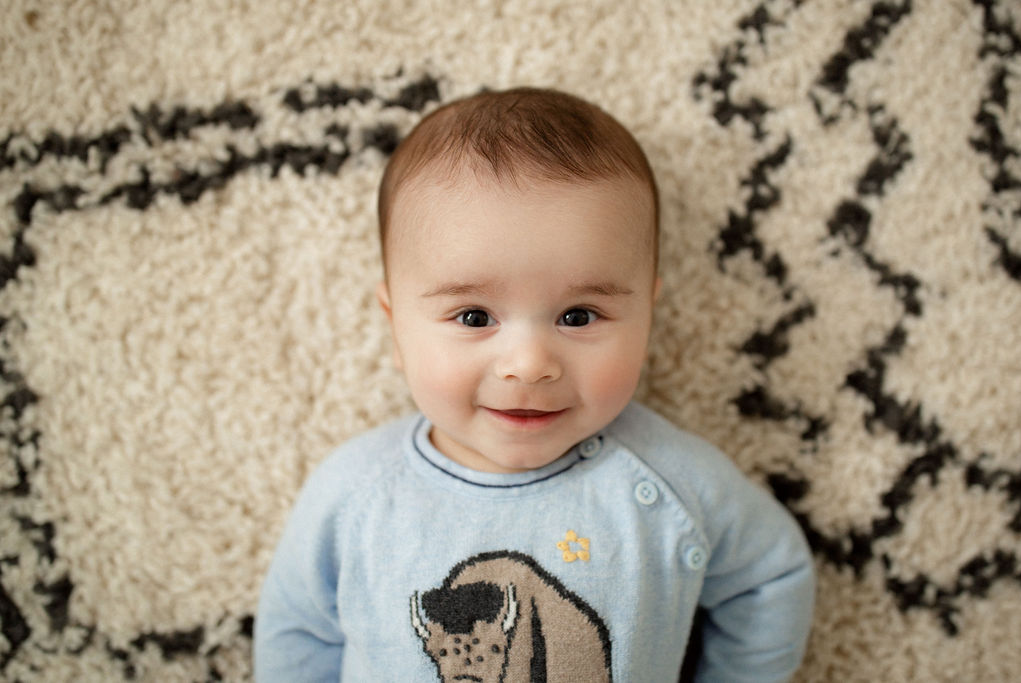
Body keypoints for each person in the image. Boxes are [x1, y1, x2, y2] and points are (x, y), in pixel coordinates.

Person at [254, 87, 815, 682]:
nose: (528, 365)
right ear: (397, 329)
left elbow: (771, 579)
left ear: (648, 314)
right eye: (474, 317)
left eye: (578, 316)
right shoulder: (354, 495)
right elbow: (299, 634)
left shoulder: (672, 485)